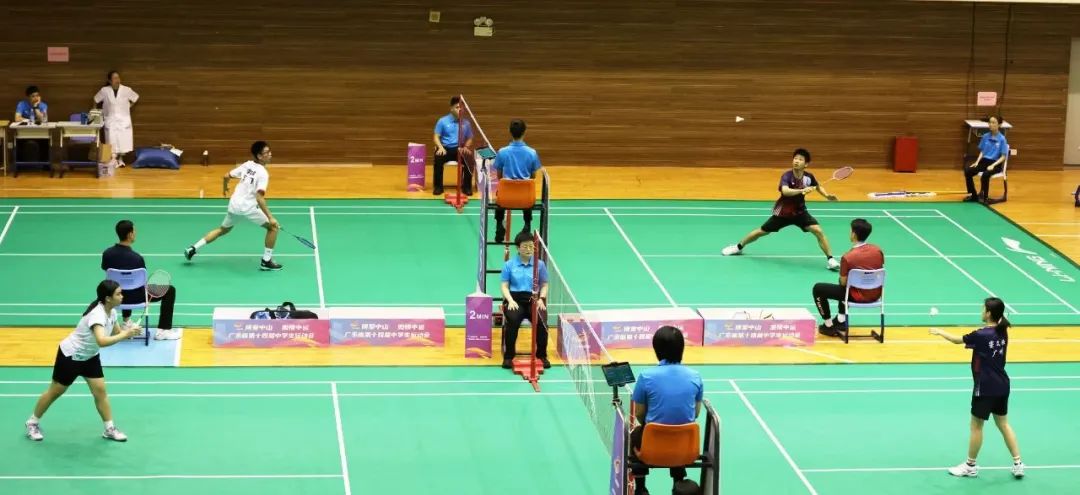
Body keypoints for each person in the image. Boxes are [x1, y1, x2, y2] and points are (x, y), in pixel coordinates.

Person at [25, 279, 141, 442]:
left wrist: (129, 331)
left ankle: (109, 428)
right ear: (108, 298)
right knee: (55, 392)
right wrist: (125, 335)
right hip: (71, 356)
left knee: (100, 391)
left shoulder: (112, 312)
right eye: (119, 294)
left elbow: (117, 333)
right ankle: (32, 423)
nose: (122, 296)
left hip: (90, 357)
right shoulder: (97, 315)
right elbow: (102, 341)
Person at [929, 297, 1024, 479]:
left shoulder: (982, 335)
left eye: (983, 309)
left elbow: (957, 340)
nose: (981, 311)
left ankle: (970, 466)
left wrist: (940, 332)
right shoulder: (1003, 331)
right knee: (1003, 424)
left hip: (985, 388)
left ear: (988, 313)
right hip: (1002, 385)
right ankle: (1018, 464)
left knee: (976, 426)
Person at [721, 149, 841, 271]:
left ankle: (830, 259)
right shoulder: (787, 176)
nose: (796, 161)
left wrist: (827, 196)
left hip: (800, 212)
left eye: (800, 159)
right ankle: (738, 247)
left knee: (818, 231)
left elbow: (817, 186)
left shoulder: (808, 177)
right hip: (783, 212)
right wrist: (801, 190)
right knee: (761, 231)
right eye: (795, 158)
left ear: (806, 164)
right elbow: (785, 191)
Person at [184, 141, 282, 271]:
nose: (270, 154)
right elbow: (259, 197)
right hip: (248, 207)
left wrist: (225, 188)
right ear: (259, 156)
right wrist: (271, 217)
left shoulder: (247, 165)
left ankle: (193, 248)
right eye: (267, 152)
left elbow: (226, 176)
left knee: (222, 230)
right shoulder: (263, 173)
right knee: (273, 228)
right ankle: (266, 261)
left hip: (234, 205)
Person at [630, 326, 704, 495]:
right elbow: (695, 413)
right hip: (686, 449)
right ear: (681, 349)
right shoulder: (695, 376)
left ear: (657, 350)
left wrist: (653, 427)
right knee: (678, 431)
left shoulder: (646, 376)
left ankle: (640, 488)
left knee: (636, 434)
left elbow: (640, 414)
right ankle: (678, 481)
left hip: (652, 448)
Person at [102, 219, 180, 340]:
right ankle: (163, 330)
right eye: (134, 231)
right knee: (170, 290)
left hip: (115, 297)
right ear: (130, 234)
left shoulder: (107, 254)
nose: (135, 233)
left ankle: (126, 322)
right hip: (138, 297)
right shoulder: (137, 258)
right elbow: (141, 283)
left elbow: (108, 272)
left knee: (123, 284)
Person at [812, 218, 884, 337]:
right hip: (876, 294)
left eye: (850, 231)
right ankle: (841, 320)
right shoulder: (878, 250)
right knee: (847, 281)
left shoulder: (848, 257)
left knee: (818, 288)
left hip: (857, 296)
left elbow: (843, 283)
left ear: (854, 234)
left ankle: (828, 326)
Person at [500, 231, 550, 369]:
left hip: (534, 299)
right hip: (514, 299)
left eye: (531, 246)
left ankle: (542, 355)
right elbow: (504, 286)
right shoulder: (509, 265)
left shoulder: (540, 264)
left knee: (541, 322)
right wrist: (510, 301)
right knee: (512, 321)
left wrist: (542, 299)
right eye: (525, 246)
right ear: (518, 248)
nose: (529, 249)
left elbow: (544, 284)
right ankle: (509, 357)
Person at [493, 119, 543, 242]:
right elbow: (533, 176)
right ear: (525, 132)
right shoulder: (532, 153)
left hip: (506, 198)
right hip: (526, 198)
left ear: (509, 131)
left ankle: (499, 224)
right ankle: (527, 224)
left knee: (500, 195)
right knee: (527, 191)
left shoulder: (502, 152)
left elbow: (499, 176)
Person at [93, 70, 140, 167]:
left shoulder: (126, 90)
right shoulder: (104, 90)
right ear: (110, 81)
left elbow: (135, 97)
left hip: (123, 120)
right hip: (110, 120)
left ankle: (121, 159)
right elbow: (95, 100)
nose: (117, 80)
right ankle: (113, 160)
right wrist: (95, 113)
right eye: (114, 78)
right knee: (111, 141)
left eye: (118, 77)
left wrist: (128, 106)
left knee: (123, 142)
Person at [432, 96, 474, 196]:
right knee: (438, 158)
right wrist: (440, 147)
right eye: (457, 107)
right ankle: (438, 187)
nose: (460, 109)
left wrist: (466, 147)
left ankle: (467, 187)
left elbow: (470, 138)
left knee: (469, 159)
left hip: (459, 149)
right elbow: (436, 137)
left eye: (461, 108)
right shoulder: (442, 121)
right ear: (451, 108)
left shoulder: (466, 123)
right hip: (445, 148)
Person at [963, 115, 1008, 204]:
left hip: (996, 163)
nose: (990, 124)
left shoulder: (1002, 139)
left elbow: (1003, 156)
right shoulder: (985, 136)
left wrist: (993, 165)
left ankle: (985, 197)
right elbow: (983, 151)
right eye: (989, 122)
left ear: (999, 125)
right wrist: (977, 162)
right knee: (968, 171)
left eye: (993, 122)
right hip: (984, 162)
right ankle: (974, 195)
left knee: (985, 174)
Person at [14, 85, 50, 166]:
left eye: (37, 95)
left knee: (45, 142)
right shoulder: (22, 104)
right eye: (33, 96)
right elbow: (17, 118)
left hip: (39, 132)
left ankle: (45, 166)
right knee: (18, 142)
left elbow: (43, 119)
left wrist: (36, 107)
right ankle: (19, 166)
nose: (35, 98)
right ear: (28, 97)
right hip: (24, 132)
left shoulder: (43, 105)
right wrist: (29, 120)